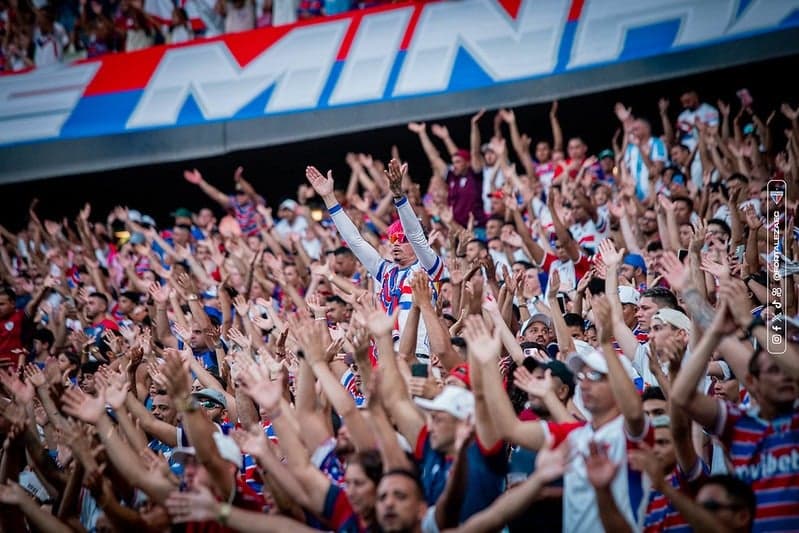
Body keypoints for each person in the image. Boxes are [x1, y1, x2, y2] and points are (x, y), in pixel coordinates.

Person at [305, 159, 444, 357]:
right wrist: (329, 198)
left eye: (402, 239)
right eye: (392, 239)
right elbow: (355, 241)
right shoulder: (385, 271)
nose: (396, 244)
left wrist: (399, 196)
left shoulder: (429, 267)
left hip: (419, 358)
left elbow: (415, 234)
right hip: (385, 358)